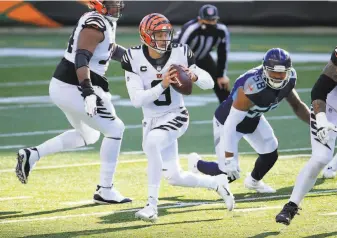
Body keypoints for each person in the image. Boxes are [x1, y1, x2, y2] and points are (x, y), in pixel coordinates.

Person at [121, 13, 235, 223]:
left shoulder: (180, 52)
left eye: (166, 33)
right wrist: (162, 84)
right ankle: (217, 183)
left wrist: (195, 76)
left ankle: (151, 206)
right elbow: (137, 100)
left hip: (176, 115)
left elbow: (209, 83)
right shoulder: (133, 58)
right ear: (145, 36)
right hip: (151, 119)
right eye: (158, 34)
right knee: (175, 177)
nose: (164, 39)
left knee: (153, 143)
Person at [15, 0, 131, 204]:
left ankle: (33, 155)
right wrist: (87, 91)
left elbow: (109, 49)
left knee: (89, 134)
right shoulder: (96, 22)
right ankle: (105, 189)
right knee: (115, 129)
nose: (117, 5)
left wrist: (137, 59)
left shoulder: (102, 20)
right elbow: (82, 58)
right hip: (76, 85)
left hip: (66, 86)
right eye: (112, 2)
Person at [188, 48, 310, 193]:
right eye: (274, 72)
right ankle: (197, 164)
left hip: (253, 119)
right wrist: (229, 158)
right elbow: (231, 125)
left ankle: (253, 181)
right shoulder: (251, 86)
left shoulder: (289, 79)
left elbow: (297, 105)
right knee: (230, 172)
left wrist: (316, 124)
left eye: (282, 73)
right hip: (227, 122)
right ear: (265, 70)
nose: (278, 77)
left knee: (270, 153)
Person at [276, 47, 337, 225]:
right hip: (329, 109)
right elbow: (318, 90)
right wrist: (321, 118)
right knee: (320, 157)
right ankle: (291, 206)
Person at [174, 4, 230, 103]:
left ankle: (229, 111)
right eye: (207, 20)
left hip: (202, 56)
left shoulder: (221, 31)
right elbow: (179, 50)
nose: (211, 23)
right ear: (200, 19)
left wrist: (221, 75)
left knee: (222, 85)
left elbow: (223, 53)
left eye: (213, 20)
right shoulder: (191, 29)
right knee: (175, 83)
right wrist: (180, 70)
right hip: (181, 57)